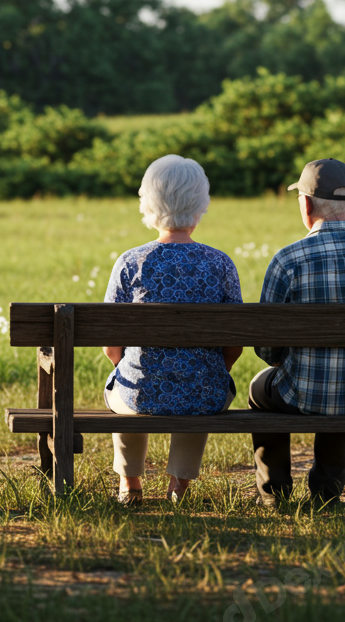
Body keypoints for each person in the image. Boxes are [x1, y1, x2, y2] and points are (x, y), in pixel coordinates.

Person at [250, 158, 345, 506]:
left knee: (259, 389)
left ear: (305, 205)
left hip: (302, 394)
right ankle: (326, 490)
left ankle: (273, 493)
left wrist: (281, 360)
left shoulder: (287, 260)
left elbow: (266, 345)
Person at [102, 155, 244, 505]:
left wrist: (132, 366)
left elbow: (110, 345)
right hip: (205, 394)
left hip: (140, 393)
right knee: (200, 383)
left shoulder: (130, 262)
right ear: (200, 204)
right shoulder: (220, 263)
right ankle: (179, 488)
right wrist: (211, 371)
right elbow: (235, 343)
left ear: (148, 203)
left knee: (124, 378)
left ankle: (129, 484)